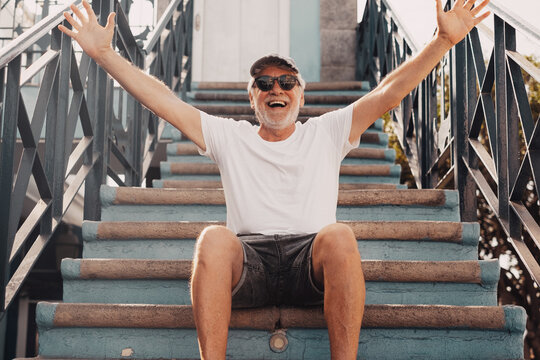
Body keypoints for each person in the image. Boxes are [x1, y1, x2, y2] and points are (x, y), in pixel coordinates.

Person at [59, 0, 490, 358]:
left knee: (340, 236)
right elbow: (164, 102)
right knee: (212, 238)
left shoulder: (328, 131)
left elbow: (389, 92)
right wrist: (104, 55)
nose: (275, 89)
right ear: (252, 96)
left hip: (310, 261)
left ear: (301, 93)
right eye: (264, 83)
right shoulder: (230, 136)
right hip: (250, 261)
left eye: (286, 81)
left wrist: (443, 41)